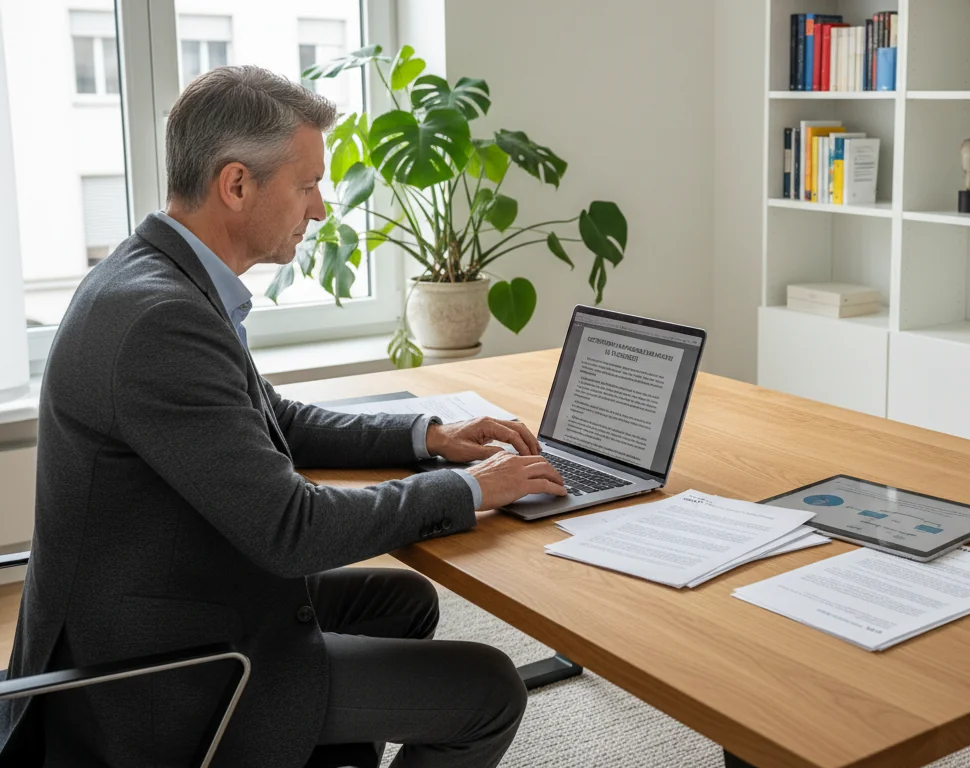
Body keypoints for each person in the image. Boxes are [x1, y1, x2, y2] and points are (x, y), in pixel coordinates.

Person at [0, 65, 568, 767]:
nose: (322, 209)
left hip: (171, 603)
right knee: (489, 688)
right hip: (160, 676)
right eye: (306, 186)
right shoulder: (161, 321)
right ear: (237, 185)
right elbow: (291, 532)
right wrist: (475, 487)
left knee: (404, 602)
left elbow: (277, 420)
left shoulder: (155, 275)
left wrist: (430, 437)